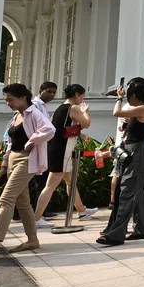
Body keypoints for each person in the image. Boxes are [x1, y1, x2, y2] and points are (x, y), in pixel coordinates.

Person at [97, 78, 144, 246]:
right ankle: (143, 228)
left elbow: (116, 112)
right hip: (133, 151)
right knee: (135, 192)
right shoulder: (139, 110)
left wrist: (119, 98)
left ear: (132, 95)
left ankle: (116, 234)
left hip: (138, 151)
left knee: (127, 192)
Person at [0, 83, 54, 253]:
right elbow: (10, 143)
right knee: (23, 202)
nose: (8, 103)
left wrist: (32, 140)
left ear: (23, 98)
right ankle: (32, 240)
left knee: (6, 199)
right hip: (14, 159)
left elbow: (49, 130)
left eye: (10, 99)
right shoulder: (17, 115)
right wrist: (4, 165)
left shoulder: (33, 113)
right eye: (6, 100)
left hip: (27, 160)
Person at [34, 84, 96, 225]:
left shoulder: (61, 108)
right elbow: (86, 124)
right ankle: (36, 218)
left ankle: (81, 210)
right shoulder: (72, 108)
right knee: (50, 185)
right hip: (62, 150)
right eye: (81, 96)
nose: (82, 99)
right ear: (76, 95)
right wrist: (86, 111)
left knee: (70, 181)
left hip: (61, 150)